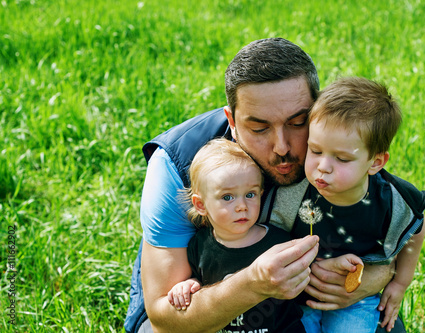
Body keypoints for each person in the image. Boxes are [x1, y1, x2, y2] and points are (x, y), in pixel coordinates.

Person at [125, 38, 401, 333]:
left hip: (299, 308)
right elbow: (164, 319)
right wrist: (252, 284)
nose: (281, 147)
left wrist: (373, 276)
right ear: (231, 120)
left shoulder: (334, 144)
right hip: (204, 308)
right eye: (259, 128)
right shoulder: (176, 163)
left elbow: (388, 230)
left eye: (297, 122)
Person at [285, 77, 425, 332]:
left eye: (341, 158)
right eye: (315, 151)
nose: (323, 166)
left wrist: (399, 283)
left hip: (357, 297)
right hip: (296, 292)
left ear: (375, 162)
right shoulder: (293, 191)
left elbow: (416, 230)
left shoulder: (394, 200)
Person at [167, 138, 307, 332]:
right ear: (200, 205)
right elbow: (201, 281)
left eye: (250, 194)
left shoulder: (279, 242)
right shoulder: (199, 245)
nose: (242, 206)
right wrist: (188, 286)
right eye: (227, 197)